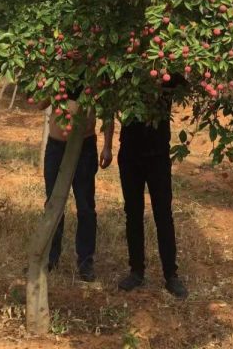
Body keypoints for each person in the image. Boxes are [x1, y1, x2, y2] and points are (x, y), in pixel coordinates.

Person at [117, 72, 188, 299]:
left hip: (158, 155)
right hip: (129, 153)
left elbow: (188, 81)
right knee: (133, 213)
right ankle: (136, 271)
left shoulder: (168, 72)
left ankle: (171, 275)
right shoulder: (127, 70)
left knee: (163, 215)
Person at [39, 88, 114, 281]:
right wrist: (54, 86)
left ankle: (85, 262)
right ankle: (50, 258)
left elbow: (107, 111)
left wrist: (107, 146)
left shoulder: (95, 74)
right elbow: (40, 104)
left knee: (86, 206)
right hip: (56, 146)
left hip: (84, 147)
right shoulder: (57, 73)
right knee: (53, 204)